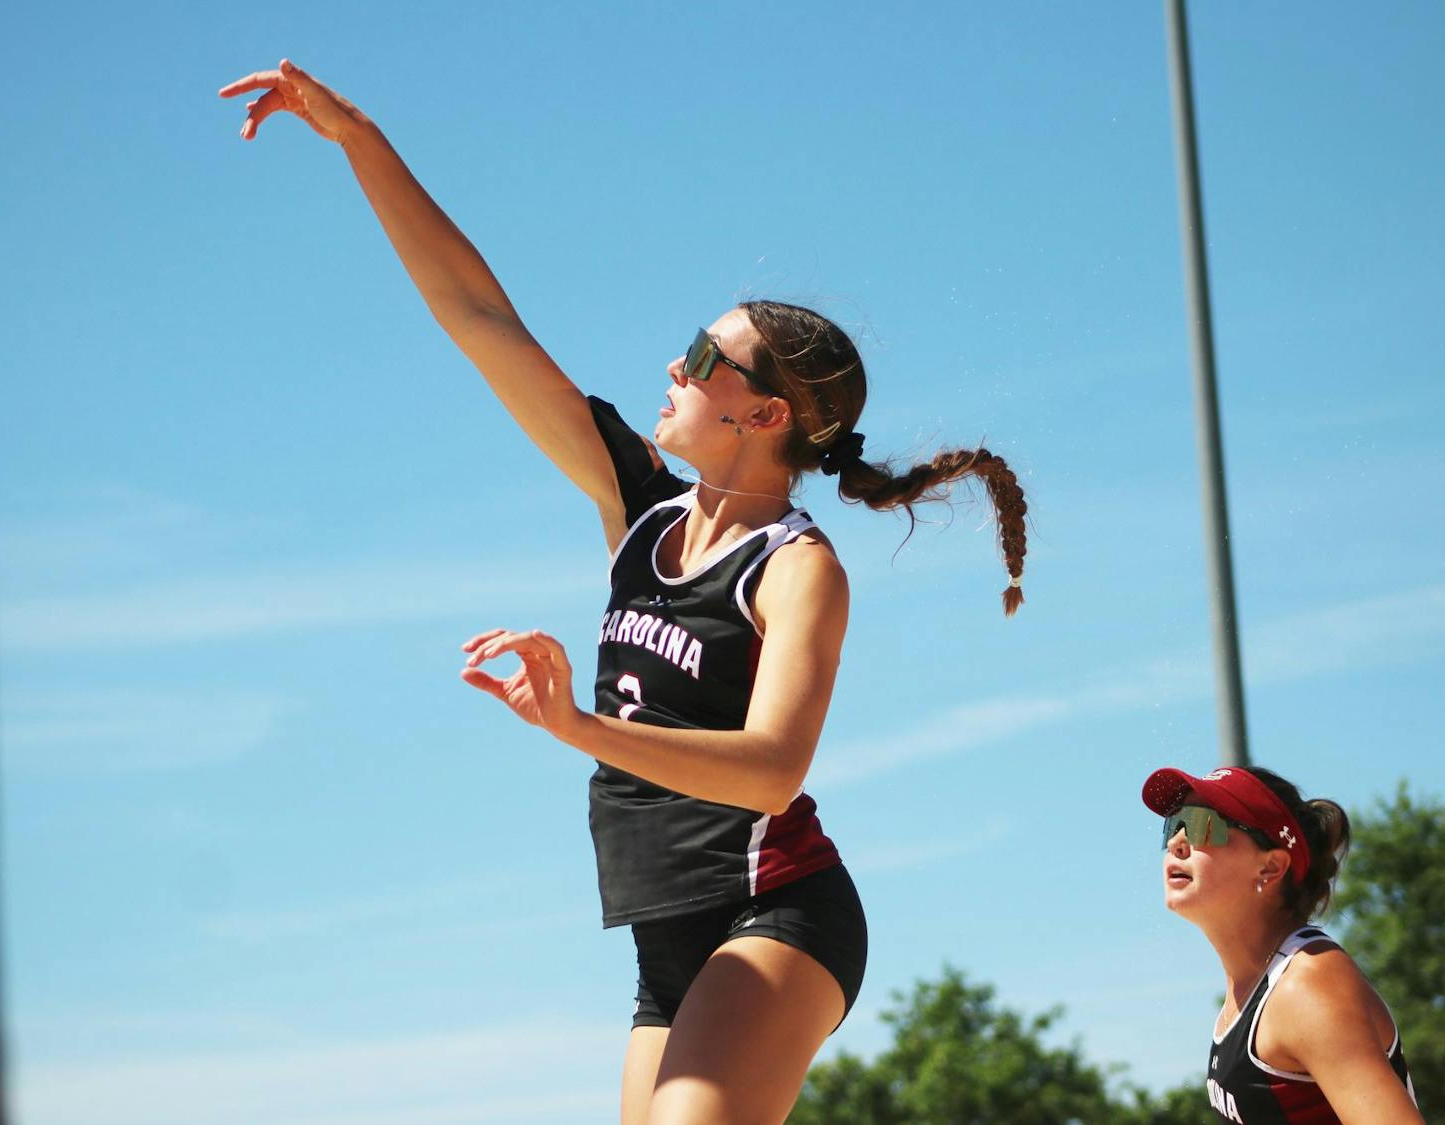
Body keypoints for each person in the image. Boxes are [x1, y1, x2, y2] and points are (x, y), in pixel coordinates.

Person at [221, 60, 1029, 1123]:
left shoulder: (798, 568)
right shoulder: (640, 508)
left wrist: (579, 726)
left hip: (778, 912)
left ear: (767, 414)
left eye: (705, 358)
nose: (676, 365)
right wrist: (358, 137)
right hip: (669, 936)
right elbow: (480, 319)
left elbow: (774, 771)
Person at [1142, 765, 1421, 1124]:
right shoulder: (1252, 990)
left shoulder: (1308, 982)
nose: (1176, 842)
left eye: (1202, 825)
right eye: (1175, 824)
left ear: (1270, 868)